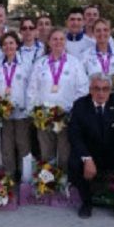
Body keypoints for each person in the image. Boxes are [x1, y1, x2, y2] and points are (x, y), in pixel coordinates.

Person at [68, 73, 114, 221]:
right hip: (90, 151)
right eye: (96, 89)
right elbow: (74, 135)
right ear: (90, 90)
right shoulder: (80, 105)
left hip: (112, 152)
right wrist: (87, 158)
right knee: (75, 161)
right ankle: (86, 203)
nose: (101, 93)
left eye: (105, 89)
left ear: (110, 90)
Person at [27, 28, 88, 172]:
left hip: (66, 116)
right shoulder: (40, 63)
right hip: (44, 117)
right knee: (46, 153)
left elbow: (83, 89)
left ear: (65, 42)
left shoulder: (75, 63)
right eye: (54, 39)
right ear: (48, 42)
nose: (58, 42)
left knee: (65, 153)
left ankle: (65, 181)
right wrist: (34, 111)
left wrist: (72, 111)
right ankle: (48, 182)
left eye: (61, 39)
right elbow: (32, 89)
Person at [0, 31, 32, 177]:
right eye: (5, 44)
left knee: (23, 144)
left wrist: (27, 106)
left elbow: (31, 87)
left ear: (17, 45)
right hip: (4, 113)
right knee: (6, 146)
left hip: (22, 113)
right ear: (1, 47)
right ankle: (9, 176)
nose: (8, 46)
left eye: (11, 43)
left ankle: (25, 176)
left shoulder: (26, 64)